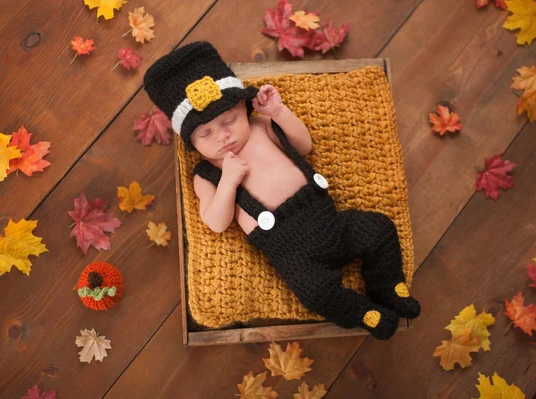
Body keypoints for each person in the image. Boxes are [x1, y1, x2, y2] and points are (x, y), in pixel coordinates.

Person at [144, 40, 420, 340]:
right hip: (290, 251)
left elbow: (304, 145)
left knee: (378, 229)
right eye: (206, 133)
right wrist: (229, 182)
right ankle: (364, 312)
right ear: (191, 141)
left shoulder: (261, 127)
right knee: (315, 292)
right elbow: (216, 222)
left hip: (327, 221)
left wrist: (279, 112)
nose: (222, 137)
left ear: (245, 109)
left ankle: (387, 287)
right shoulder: (208, 175)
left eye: (229, 121)